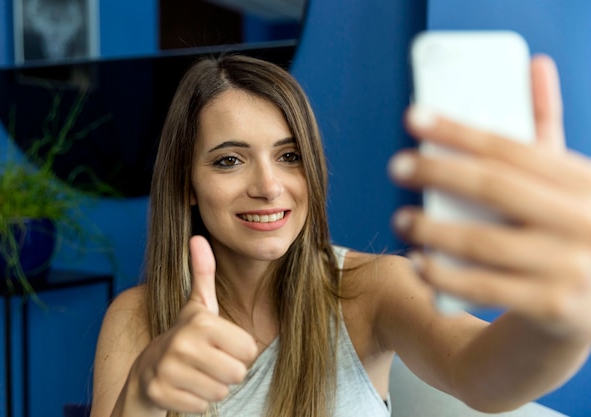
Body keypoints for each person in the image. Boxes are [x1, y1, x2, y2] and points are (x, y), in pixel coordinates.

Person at [90, 54, 591, 417]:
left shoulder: (371, 290)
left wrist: (567, 315)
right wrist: (143, 397)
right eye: (229, 160)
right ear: (188, 186)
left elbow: (483, 376)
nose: (268, 187)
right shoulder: (136, 318)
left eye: (289, 156)